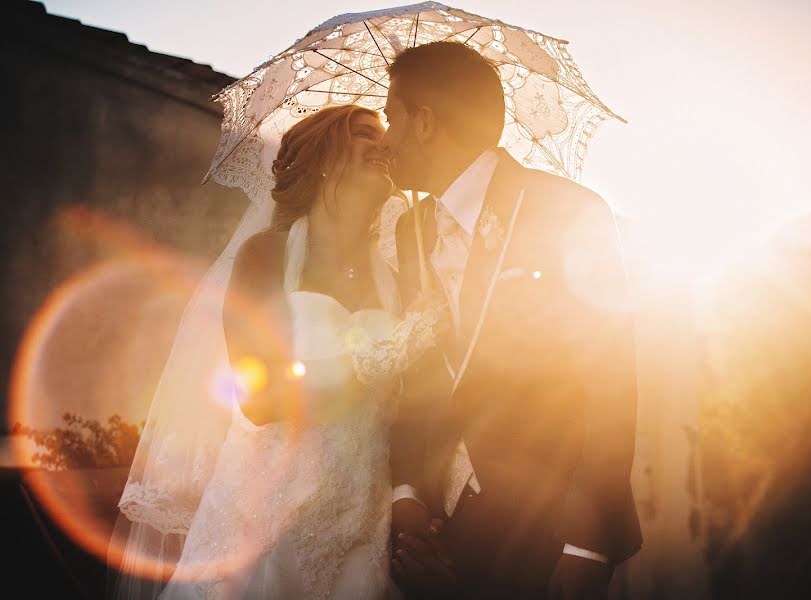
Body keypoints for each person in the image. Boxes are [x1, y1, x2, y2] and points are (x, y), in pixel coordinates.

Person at [110, 104, 443, 599]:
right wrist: (387, 355)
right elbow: (260, 399)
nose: (385, 144)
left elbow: (413, 413)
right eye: (364, 134)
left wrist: (407, 494)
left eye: (385, 133)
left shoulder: (397, 281)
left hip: (360, 531)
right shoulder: (266, 255)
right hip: (263, 523)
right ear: (324, 158)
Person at [381, 41, 643, 600]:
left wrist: (586, 546)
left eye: (391, 117)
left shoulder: (568, 210)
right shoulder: (409, 231)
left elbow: (610, 385)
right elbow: (416, 373)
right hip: (435, 521)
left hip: (546, 522)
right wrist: (405, 491)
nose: (385, 139)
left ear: (425, 123)